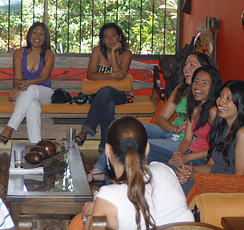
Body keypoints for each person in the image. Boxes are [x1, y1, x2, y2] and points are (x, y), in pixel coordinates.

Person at [80, 116, 210, 230]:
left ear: (107, 150)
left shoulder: (109, 197)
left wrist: (89, 215)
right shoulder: (165, 170)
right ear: (147, 148)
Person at [86, 52, 215, 184]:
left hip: (183, 142)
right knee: (124, 128)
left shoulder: (208, 101)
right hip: (170, 132)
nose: (186, 68)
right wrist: (175, 129)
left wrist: (186, 142)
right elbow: (161, 119)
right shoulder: (181, 90)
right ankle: (100, 170)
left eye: (192, 65)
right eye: (186, 64)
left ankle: (104, 176)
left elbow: (209, 141)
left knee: (131, 144)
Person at [177, 80, 244, 194]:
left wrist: (197, 176)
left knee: (173, 192)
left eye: (228, 98)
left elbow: (240, 181)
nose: (221, 101)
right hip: (212, 180)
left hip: (227, 191)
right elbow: (211, 165)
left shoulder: (243, 132)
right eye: (221, 96)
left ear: (241, 103)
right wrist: (191, 171)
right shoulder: (221, 125)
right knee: (170, 179)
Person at [74, 23, 132, 152]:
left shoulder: (127, 53)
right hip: (98, 95)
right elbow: (91, 75)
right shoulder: (97, 51)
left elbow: (120, 78)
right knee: (108, 104)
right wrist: (111, 75)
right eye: (106, 37)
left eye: (113, 36)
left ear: (120, 37)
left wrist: (113, 52)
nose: (110, 39)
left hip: (121, 94)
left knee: (106, 90)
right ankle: (104, 148)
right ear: (102, 40)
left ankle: (85, 131)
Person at [0, 22, 55, 144]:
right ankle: (36, 147)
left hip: (44, 92)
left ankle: (9, 128)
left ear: (45, 38)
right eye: (35, 32)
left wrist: (28, 83)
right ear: (29, 35)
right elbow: (17, 77)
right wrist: (17, 87)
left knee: (32, 89)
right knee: (33, 105)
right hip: (24, 92)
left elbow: (43, 77)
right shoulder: (19, 53)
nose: (37, 37)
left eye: (42, 34)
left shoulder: (49, 54)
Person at [168, 65, 222, 167]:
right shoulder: (195, 107)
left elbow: (217, 148)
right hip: (188, 153)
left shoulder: (213, 111)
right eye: (196, 81)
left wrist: (186, 158)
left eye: (204, 83)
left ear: (214, 87)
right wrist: (178, 154)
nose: (197, 86)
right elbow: (187, 139)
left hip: (200, 160)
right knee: (146, 153)